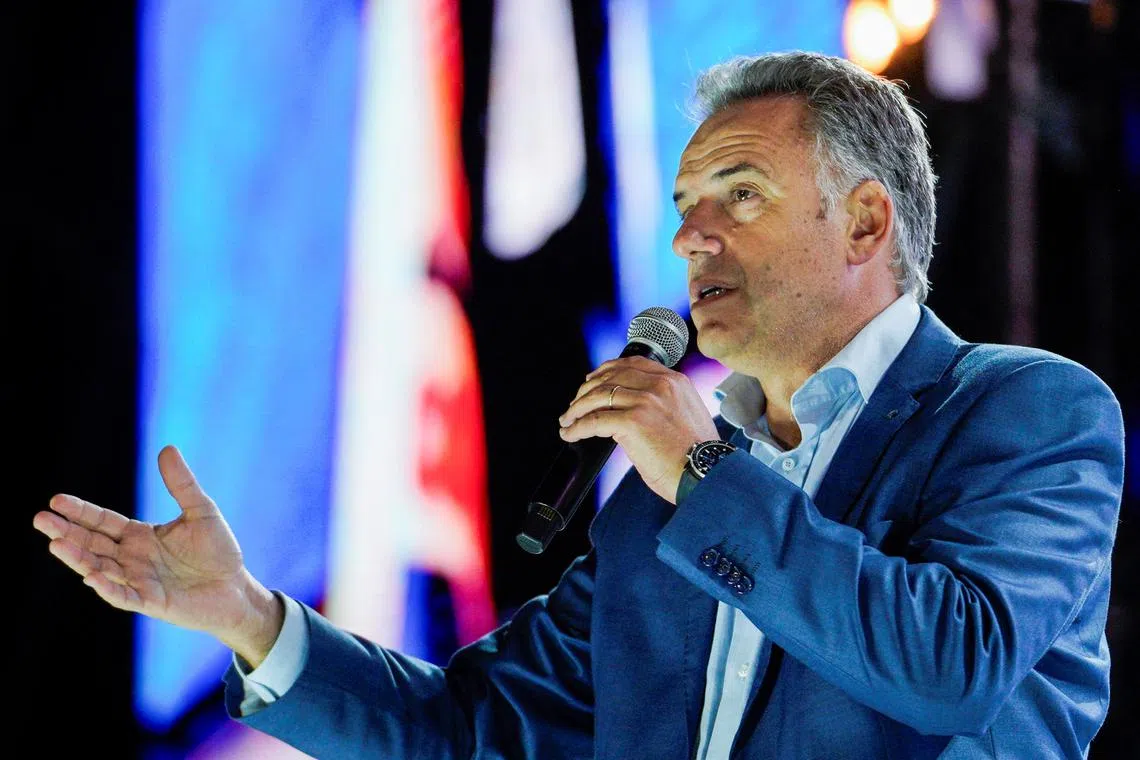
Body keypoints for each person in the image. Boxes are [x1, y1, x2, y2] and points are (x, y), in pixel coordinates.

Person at [34, 51, 1124, 759]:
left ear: (866, 223)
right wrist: (249, 619)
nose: (690, 236)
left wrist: (705, 474)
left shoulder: (1025, 412)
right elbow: (468, 729)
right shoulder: (662, 504)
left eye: (740, 195)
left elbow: (953, 663)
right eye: (685, 205)